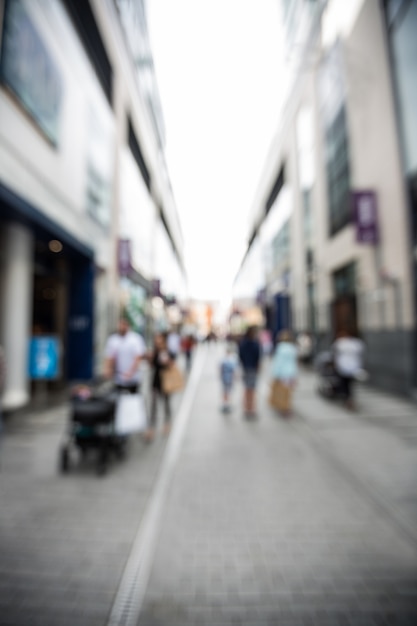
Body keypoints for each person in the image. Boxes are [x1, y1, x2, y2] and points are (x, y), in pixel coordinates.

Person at [104, 317, 146, 393]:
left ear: (128, 326)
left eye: (123, 325)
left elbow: (138, 358)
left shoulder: (135, 339)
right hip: (118, 377)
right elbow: (110, 357)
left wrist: (130, 372)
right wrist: (108, 369)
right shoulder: (113, 339)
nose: (121, 327)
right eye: (120, 325)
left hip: (133, 378)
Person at [145, 332, 174, 441]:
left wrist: (167, 361)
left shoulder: (167, 351)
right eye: (156, 339)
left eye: (159, 339)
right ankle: (151, 428)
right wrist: (150, 358)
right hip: (155, 381)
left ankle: (167, 423)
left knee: (166, 403)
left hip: (165, 381)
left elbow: (171, 364)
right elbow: (151, 365)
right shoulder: (155, 351)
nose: (157, 341)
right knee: (153, 405)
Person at [332, 328, 365, 410]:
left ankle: (348, 399)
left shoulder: (340, 343)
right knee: (349, 384)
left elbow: (334, 355)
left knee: (346, 384)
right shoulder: (356, 343)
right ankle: (349, 399)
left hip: (344, 367)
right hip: (351, 367)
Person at [270, 329, 298, 416]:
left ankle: (283, 407)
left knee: (282, 391)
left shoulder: (280, 348)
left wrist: (276, 373)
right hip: (291, 373)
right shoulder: (293, 348)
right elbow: (295, 362)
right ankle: (287, 407)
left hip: (283, 373)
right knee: (288, 392)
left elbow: (278, 362)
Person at [238, 326, 261, 418]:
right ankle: (250, 408)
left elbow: (240, 355)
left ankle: (248, 408)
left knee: (248, 389)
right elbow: (258, 356)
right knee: (251, 389)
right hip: (251, 368)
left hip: (247, 368)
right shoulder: (254, 343)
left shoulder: (243, 343)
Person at [219, 344, 237, 413]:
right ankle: (226, 404)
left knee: (226, 391)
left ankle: (226, 404)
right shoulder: (232, 359)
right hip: (228, 378)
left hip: (226, 377)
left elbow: (220, 369)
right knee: (228, 391)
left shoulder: (224, 359)